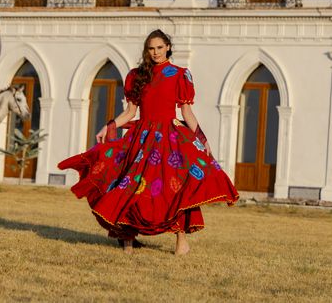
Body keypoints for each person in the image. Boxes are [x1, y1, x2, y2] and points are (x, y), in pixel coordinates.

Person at [58, 30, 239, 255]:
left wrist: (201, 138)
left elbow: (186, 111)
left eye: (160, 48)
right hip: (141, 139)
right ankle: (127, 240)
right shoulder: (137, 75)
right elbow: (130, 111)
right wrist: (110, 125)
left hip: (170, 139)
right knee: (129, 186)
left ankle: (181, 240)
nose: (156, 53)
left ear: (168, 47)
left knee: (176, 188)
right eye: (151, 49)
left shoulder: (180, 75)